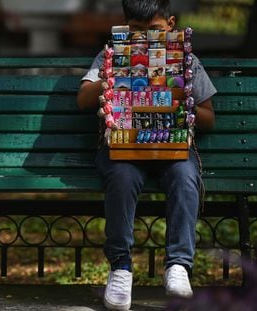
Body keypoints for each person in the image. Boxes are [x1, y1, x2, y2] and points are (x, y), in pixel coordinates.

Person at [77, 1, 217, 310]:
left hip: (174, 147)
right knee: (122, 177)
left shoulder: (186, 59)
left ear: (170, 24)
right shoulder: (111, 54)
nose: (145, 39)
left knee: (184, 178)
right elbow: (84, 98)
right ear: (125, 28)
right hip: (123, 147)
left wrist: (185, 97)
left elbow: (209, 116)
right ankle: (121, 268)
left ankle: (179, 265)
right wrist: (114, 73)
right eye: (137, 31)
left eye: (153, 30)